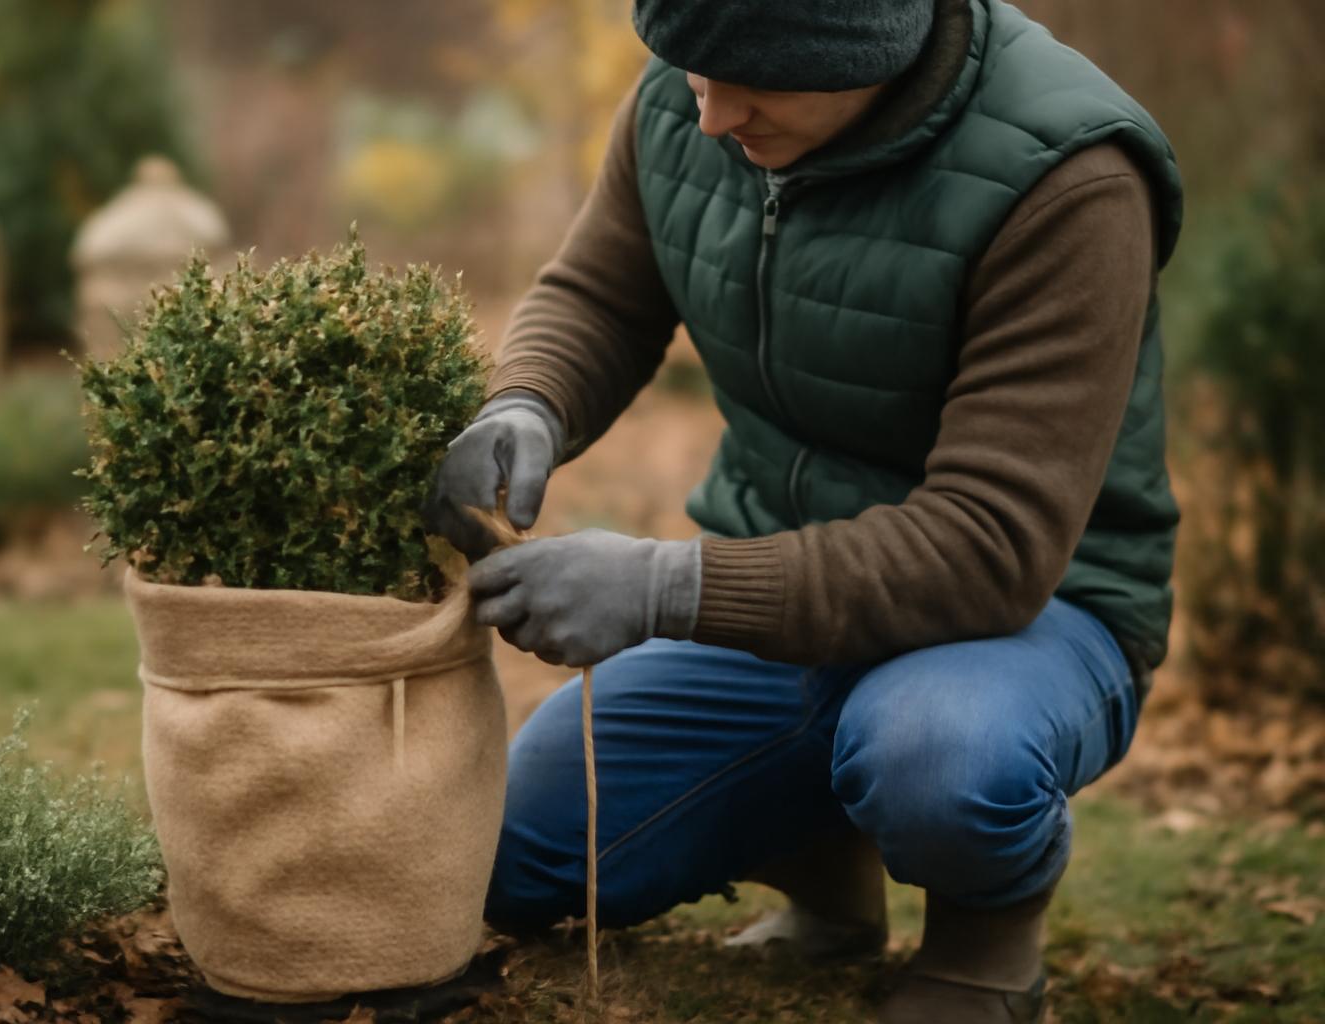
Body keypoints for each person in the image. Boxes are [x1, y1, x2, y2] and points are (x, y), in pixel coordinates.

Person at [425, 0, 1181, 1020]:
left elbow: (989, 546)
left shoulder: (1067, 177)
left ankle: (985, 941)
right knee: (511, 855)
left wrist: (662, 586)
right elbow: (601, 294)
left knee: (934, 759)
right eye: (695, 73)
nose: (710, 117)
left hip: (1032, 613)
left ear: (867, 52)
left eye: (754, 86)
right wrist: (529, 401)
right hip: (778, 591)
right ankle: (820, 854)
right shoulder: (692, 92)